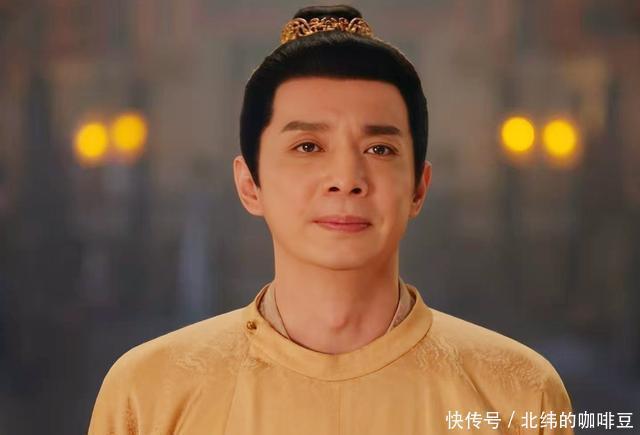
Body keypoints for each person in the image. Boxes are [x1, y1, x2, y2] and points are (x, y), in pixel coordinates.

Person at [88, 5, 574, 434]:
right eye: (308, 146)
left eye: (379, 149)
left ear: (419, 187)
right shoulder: (150, 392)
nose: (346, 179)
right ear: (249, 184)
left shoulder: (517, 393)